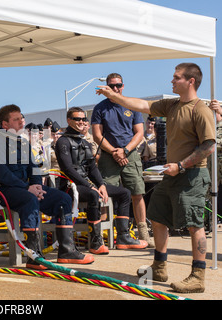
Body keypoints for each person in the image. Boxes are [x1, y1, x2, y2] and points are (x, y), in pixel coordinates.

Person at [96, 62, 216, 294]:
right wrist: (115, 96)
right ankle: (159, 266)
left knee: (194, 224)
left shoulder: (199, 109)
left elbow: (209, 145)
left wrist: (181, 165)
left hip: (191, 175)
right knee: (157, 217)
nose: (172, 81)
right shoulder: (171, 104)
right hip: (170, 174)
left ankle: (198, 276)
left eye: (177, 77)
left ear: (191, 81)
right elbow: (142, 104)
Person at [0, 104, 94, 269]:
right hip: (2, 190)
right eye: (16, 119)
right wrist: (27, 188)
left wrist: (36, 186)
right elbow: (2, 175)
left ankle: (67, 251)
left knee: (63, 198)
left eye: (22, 118)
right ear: (5, 124)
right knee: (29, 200)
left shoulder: (23, 142)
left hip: (26, 188)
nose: (21, 122)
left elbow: (33, 168)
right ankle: (34, 255)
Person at [55, 107, 148, 254]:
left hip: (87, 185)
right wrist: (90, 186)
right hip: (70, 186)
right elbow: (68, 169)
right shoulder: (63, 142)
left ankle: (123, 237)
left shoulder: (85, 143)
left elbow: (92, 168)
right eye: (77, 119)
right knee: (93, 195)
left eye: (83, 119)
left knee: (124, 193)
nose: (81, 122)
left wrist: (102, 185)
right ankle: (96, 242)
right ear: (69, 120)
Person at [91, 73, 154, 248]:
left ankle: (143, 233)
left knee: (137, 193)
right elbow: (96, 135)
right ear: (107, 87)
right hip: (108, 154)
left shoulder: (131, 106)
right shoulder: (100, 108)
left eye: (118, 85)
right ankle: (103, 235)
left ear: (123, 86)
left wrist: (125, 151)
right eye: (112, 86)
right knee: (104, 194)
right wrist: (114, 152)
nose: (115, 89)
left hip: (130, 153)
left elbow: (139, 133)